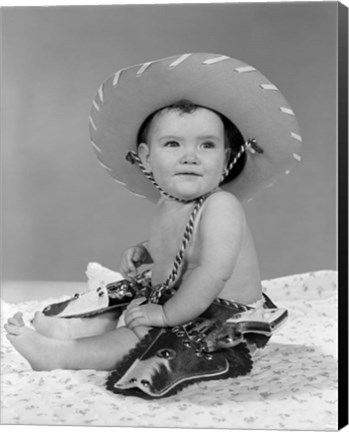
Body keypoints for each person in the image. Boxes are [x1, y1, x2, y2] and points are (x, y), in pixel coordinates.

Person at [5, 53, 302, 375]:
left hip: (219, 315)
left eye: (207, 145)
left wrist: (166, 315)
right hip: (179, 299)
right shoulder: (169, 202)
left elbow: (212, 272)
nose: (190, 156)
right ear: (145, 158)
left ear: (226, 157)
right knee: (129, 309)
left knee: (150, 336)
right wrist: (148, 249)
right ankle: (73, 333)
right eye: (173, 144)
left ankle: (63, 356)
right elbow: (183, 246)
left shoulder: (221, 206)